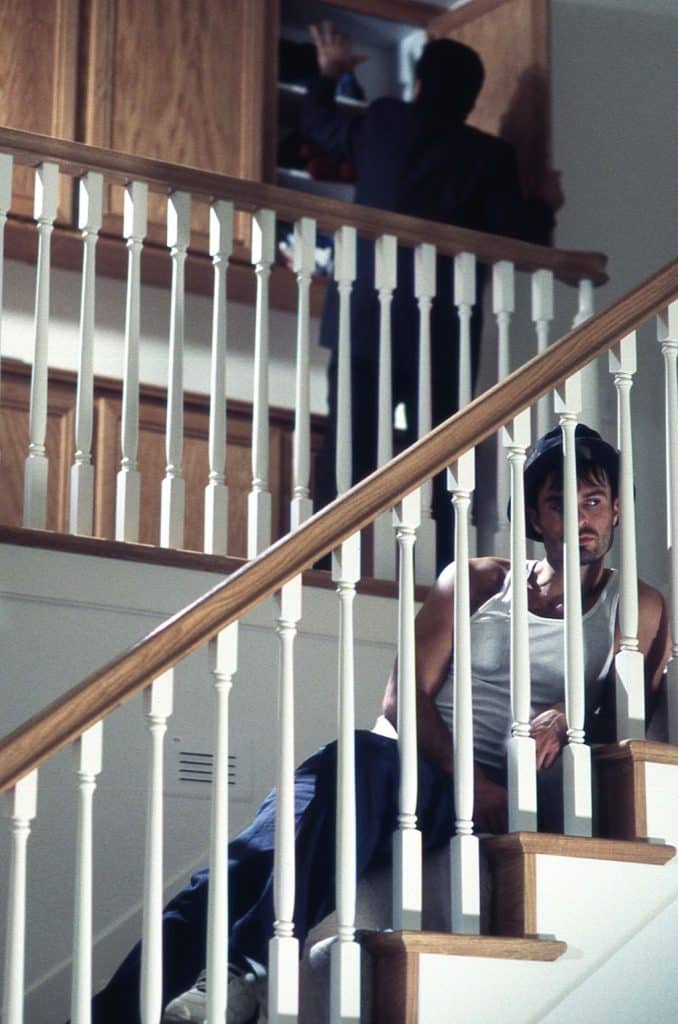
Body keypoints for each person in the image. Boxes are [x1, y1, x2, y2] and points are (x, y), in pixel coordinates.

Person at [90, 425, 670, 1024]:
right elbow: (403, 697)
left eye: (593, 501)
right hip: (413, 764)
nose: (580, 520)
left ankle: (245, 971)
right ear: (533, 515)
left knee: (339, 780)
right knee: (239, 867)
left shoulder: (636, 605)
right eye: (559, 503)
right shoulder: (476, 581)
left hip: (463, 796)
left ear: (617, 509)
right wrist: (467, 774)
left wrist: (567, 714)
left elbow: (624, 721)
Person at [302, 24, 565, 573]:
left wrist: (328, 75)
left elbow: (318, 125)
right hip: (441, 336)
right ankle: (449, 578)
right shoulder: (488, 157)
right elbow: (522, 236)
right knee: (444, 461)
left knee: (346, 453)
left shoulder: (382, 121)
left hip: (364, 323)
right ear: (471, 100)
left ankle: (322, 568)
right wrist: (546, 203)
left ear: (418, 84)